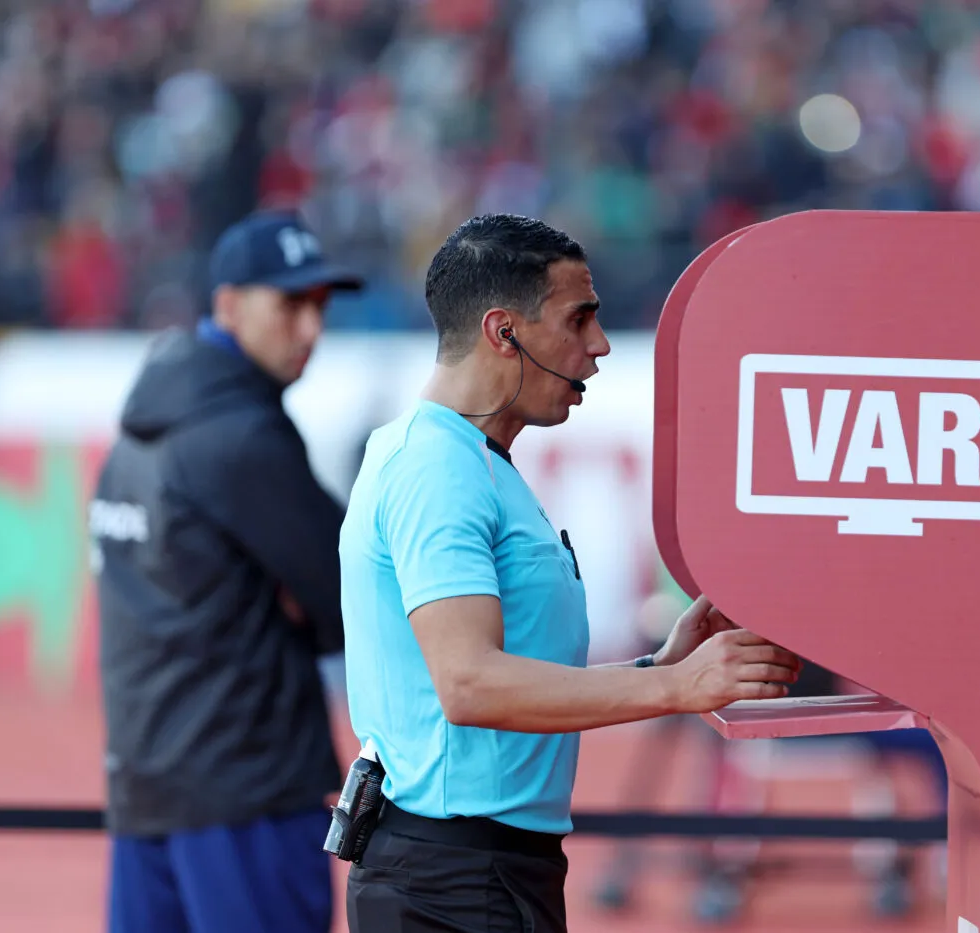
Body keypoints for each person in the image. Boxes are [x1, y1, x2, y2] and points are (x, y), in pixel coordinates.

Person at [338, 213, 803, 933]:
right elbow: (469, 684)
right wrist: (676, 686)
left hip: (475, 869)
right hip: (454, 878)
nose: (600, 344)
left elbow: (497, 678)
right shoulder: (437, 466)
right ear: (504, 332)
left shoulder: (468, 460)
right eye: (579, 319)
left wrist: (660, 666)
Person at [91, 209, 366, 933]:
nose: (311, 329)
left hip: (144, 790)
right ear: (228, 304)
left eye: (320, 306)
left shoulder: (139, 430)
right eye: (291, 305)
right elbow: (356, 600)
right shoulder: (242, 434)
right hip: (247, 792)